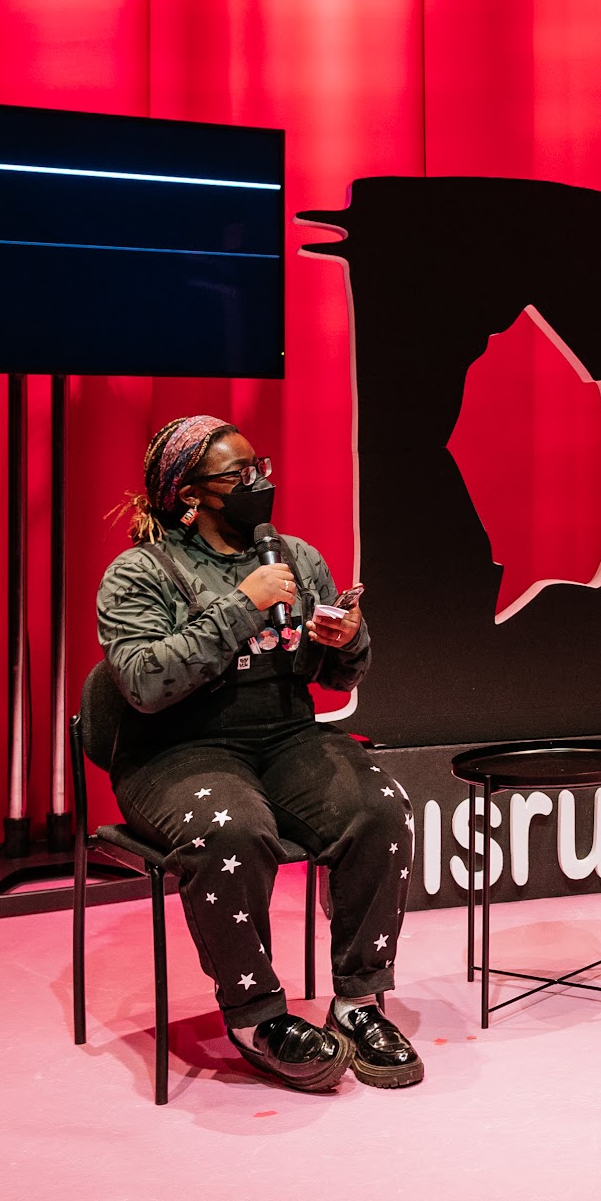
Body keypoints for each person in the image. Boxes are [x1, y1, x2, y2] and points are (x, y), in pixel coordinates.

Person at [96, 415, 422, 1093]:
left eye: (261, 468)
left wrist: (346, 639)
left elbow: (335, 679)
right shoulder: (139, 574)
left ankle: (358, 1000)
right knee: (235, 830)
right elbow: (144, 684)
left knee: (382, 808)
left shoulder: (296, 559)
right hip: (174, 750)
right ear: (189, 495)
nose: (259, 484)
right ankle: (257, 1014)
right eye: (239, 476)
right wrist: (241, 607)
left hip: (284, 738)